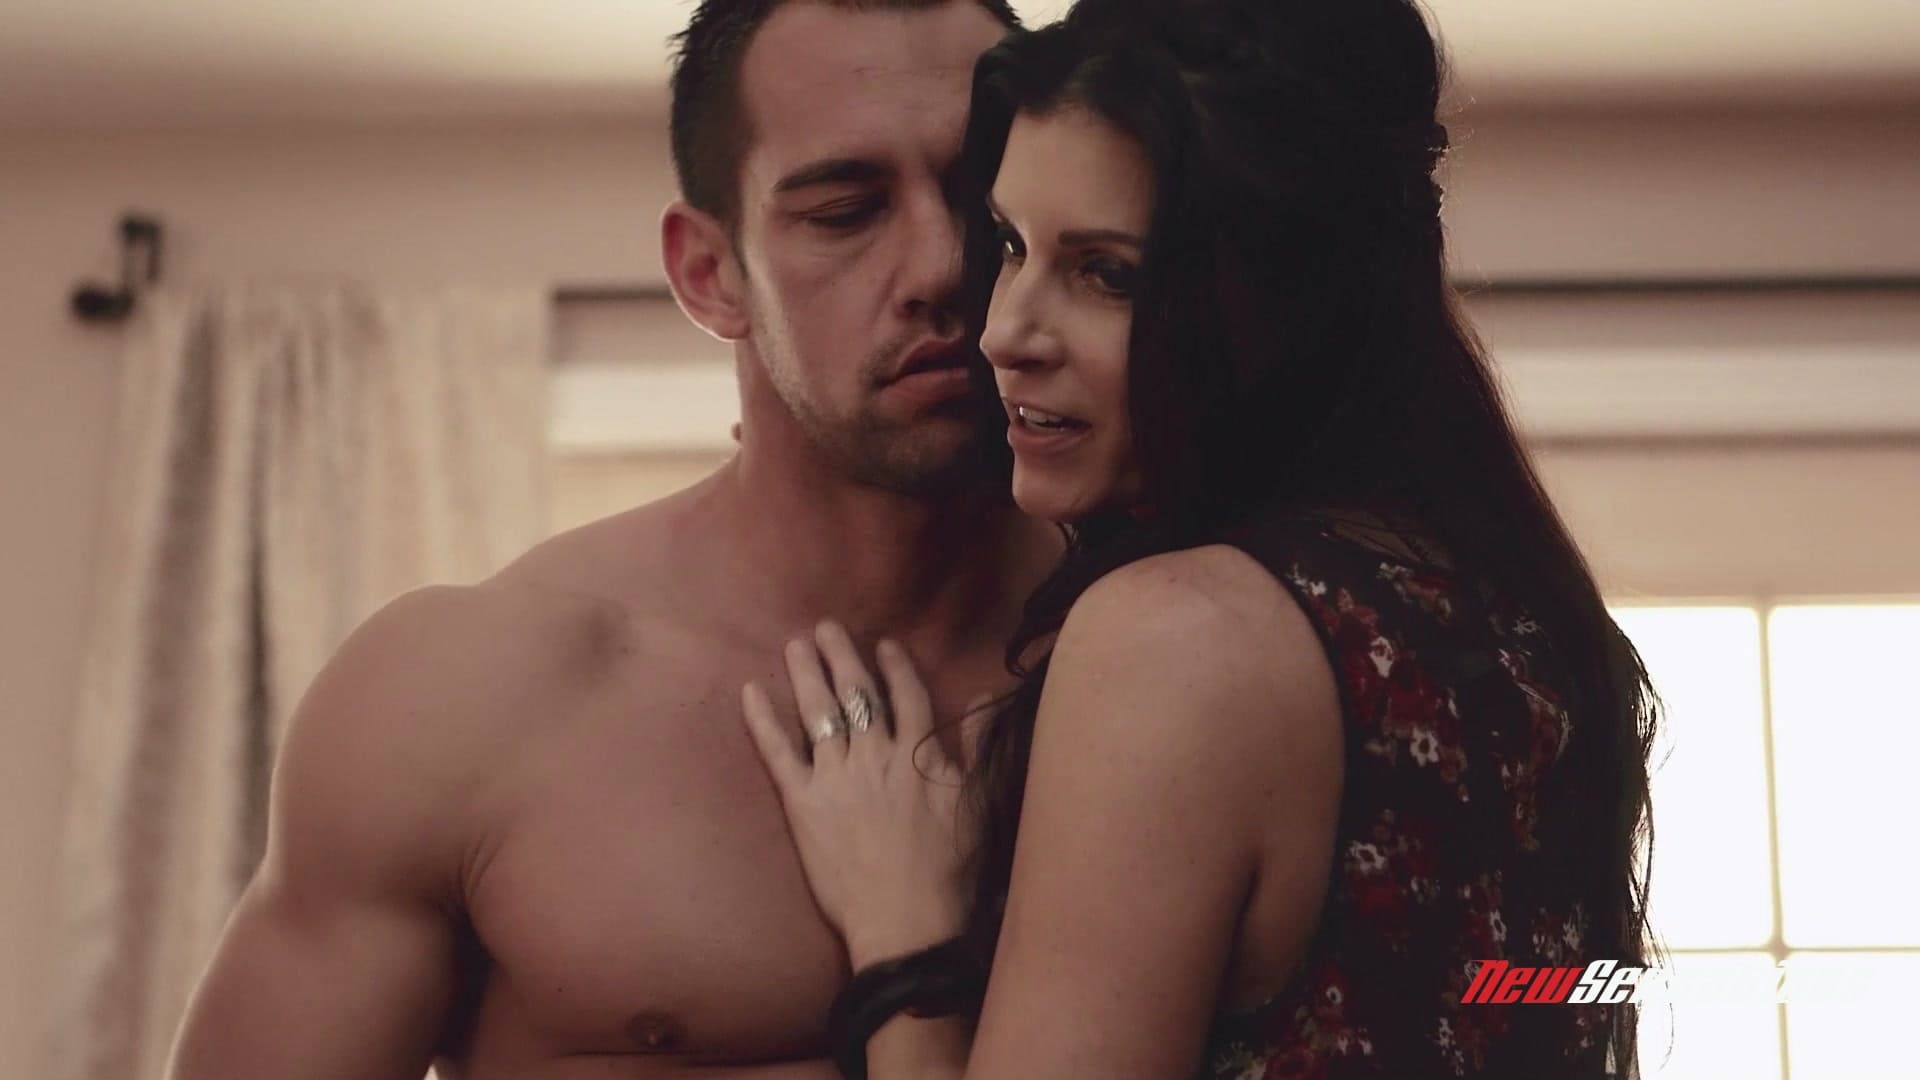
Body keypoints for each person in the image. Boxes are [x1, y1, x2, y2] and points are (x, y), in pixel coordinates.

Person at [739, 0, 1661, 1077]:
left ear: (1284, 297)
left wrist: (902, 939)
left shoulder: (1181, 637)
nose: (1003, 331)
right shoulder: (1532, 631)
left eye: (1108, 274)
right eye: (1013, 245)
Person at [164, 3, 1060, 1077]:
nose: (942, 263)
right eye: (844, 211)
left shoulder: (1150, 654)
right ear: (710, 275)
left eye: (983, 195)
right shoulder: (466, 703)